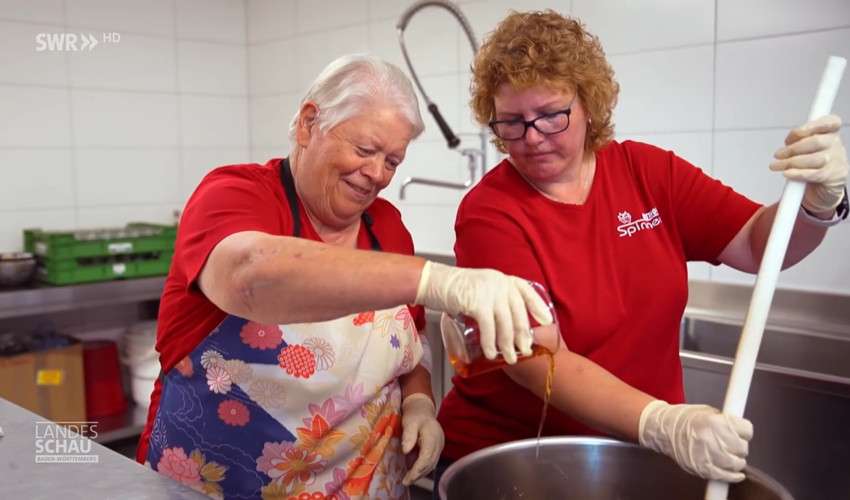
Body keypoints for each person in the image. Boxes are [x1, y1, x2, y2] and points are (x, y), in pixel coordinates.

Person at [435, 9, 848, 493]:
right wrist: (663, 422)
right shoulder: (490, 211)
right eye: (512, 122)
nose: (532, 138)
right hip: (518, 466)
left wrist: (819, 205)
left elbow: (760, 244)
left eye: (550, 115)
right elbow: (536, 358)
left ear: (588, 103)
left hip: (635, 458)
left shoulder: (649, 173)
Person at [136, 53, 553, 499]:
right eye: (365, 150)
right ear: (308, 123)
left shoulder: (387, 226)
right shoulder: (235, 194)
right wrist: (439, 281)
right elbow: (249, 276)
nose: (376, 174)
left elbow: (411, 343)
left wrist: (419, 403)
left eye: (392, 161)